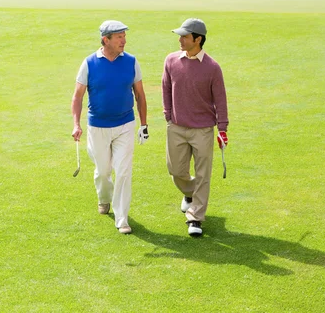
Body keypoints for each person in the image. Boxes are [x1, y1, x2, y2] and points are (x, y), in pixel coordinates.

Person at [71, 20, 148, 235]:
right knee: (103, 171)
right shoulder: (89, 63)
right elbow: (77, 97)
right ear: (106, 40)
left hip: (125, 124)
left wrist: (144, 124)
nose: (124, 40)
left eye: (124, 36)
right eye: (119, 37)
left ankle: (122, 218)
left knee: (123, 171)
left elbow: (140, 95)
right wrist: (76, 124)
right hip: (98, 127)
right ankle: (104, 197)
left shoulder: (131, 61)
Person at [162, 18, 228, 237]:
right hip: (177, 127)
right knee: (176, 170)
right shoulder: (171, 60)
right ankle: (190, 193)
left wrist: (223, 128)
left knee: (203, 174)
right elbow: (165, 88)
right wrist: (168, 115)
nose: (180, 40)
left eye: (185, 36)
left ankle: (196, 218)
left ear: (198, 40)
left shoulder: (212, 67)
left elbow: (220, 99)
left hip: (203, 130)